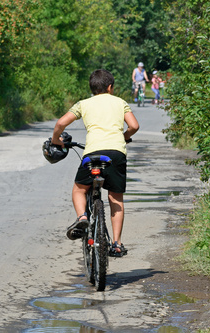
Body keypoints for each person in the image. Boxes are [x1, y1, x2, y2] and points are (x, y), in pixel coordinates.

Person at [50, 69, 139, 256]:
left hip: (92, 153)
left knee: (79, 189)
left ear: (92, 88)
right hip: (116, 154)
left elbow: (60, 124)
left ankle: (82, 216)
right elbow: (134, 126)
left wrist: (56, 140)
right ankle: (116, 243)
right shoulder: (120, 102)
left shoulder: (83, 104)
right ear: (110, 87)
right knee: (115, 198)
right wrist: (124, 137)